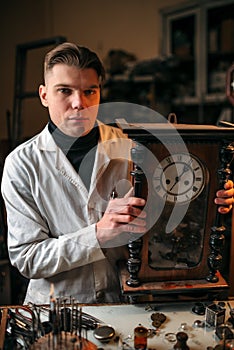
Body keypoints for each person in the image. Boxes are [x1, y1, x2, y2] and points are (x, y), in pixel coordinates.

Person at [1, 42, 233, 305]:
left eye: (90, 91)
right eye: (65, 91)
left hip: (124, 302)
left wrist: (207, 201)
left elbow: (170, 221)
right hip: (56, 309)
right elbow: (27, 259)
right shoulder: (21, 164)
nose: (79, 104)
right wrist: (98, 235)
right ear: (44, 95)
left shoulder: (135, 148)